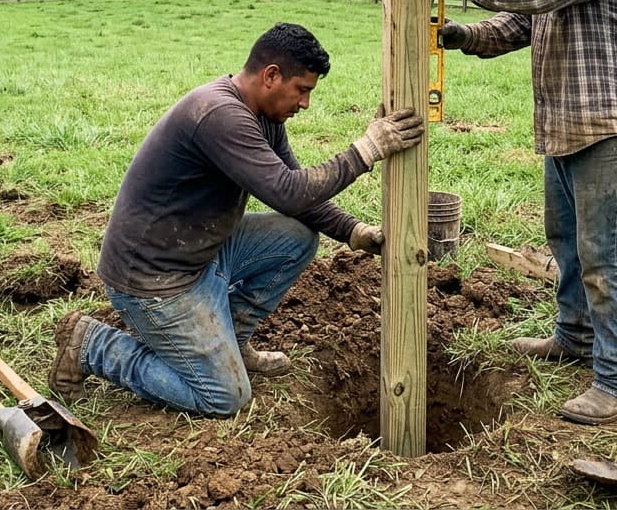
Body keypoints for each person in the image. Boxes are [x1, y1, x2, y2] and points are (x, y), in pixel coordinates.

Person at [390, 0, 617, 426]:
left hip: (607, 124)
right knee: (568, 242)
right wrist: (469, 36)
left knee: (606, 257)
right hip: (565, 121)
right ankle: (575, 337)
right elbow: (525, 20)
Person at [49, 22, 423, 416]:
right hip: (154, 279)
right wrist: (366, 150)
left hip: (198, 251)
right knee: (225, 396)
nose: (305, 103)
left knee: (296, 236)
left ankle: (233, 342)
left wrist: (352, 231)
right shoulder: (220, 114)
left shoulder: (265, 117)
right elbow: (287, 191)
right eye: (302, 90)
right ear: (271, 75)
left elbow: (294, 196)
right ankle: (92, 345)